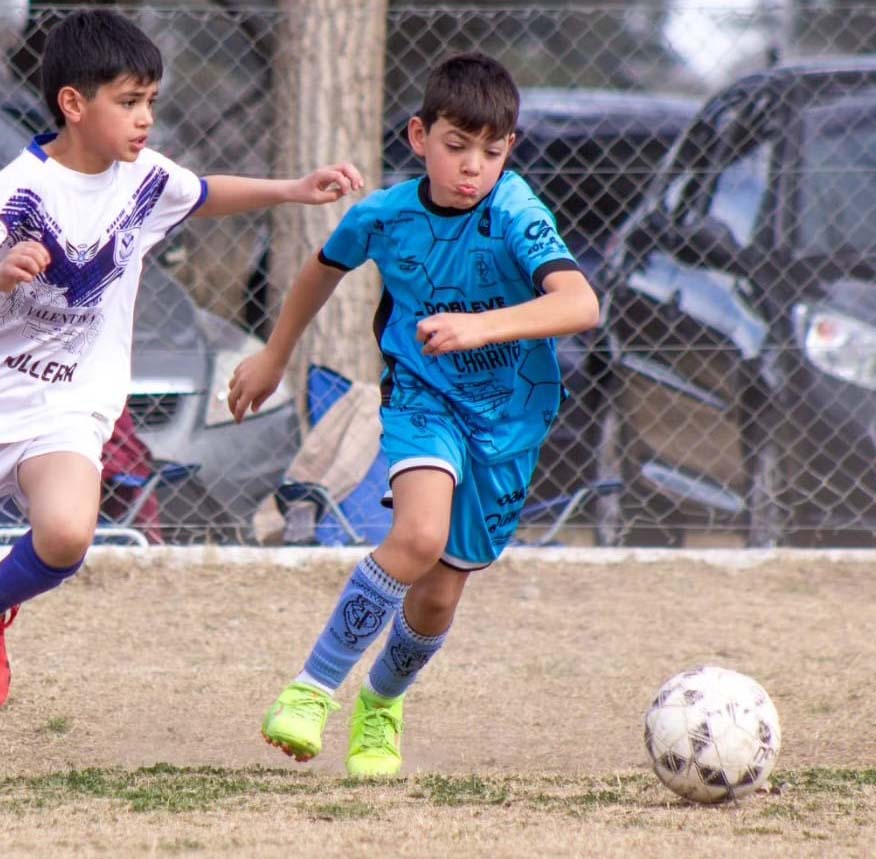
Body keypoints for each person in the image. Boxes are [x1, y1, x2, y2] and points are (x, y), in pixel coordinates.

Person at [0, 9, 363, 788]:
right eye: (130, 100)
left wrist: (292, 189)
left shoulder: (144, 181)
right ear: (74, 104)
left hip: (67, 404)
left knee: (68, 533)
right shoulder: (16, 190)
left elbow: (202, 192)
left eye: (151, 99)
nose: (146, 117)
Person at [228, 52, 599, 777]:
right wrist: (275, 355)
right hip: (422, 397)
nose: (472, 168)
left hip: (511, 418)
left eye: (491, 153)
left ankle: (381, 702)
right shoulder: (385, 218)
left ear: (509, 151)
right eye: (456, 146)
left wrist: (479, 326)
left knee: (436, 595)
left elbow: (580, 303)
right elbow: (320, 268)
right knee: (418, 533)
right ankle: (311, 691)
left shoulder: (517, 211)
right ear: (419, 135)